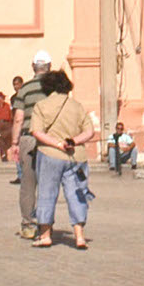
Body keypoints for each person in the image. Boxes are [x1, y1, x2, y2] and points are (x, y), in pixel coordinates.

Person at [28, 68, 98, 250]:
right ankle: (79, 236)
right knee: (77, 194)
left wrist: (57, 144)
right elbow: (90, 131)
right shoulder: (76, 105)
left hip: (50, 155)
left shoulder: (41, 106)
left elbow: (37, 132)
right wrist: (73, 141)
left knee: (46, 193)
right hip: (76, 156)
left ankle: (45, 235)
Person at [14, 53, 53, 239]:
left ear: (33, 67)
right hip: (50, 139)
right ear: (50, 66)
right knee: (48, 183)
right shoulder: (54, 89)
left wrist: (14, 143)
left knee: (28, 184)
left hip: (29, 139)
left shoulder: (25, 89)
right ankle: (46, 224)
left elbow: (18, 118)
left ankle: (28, 225)